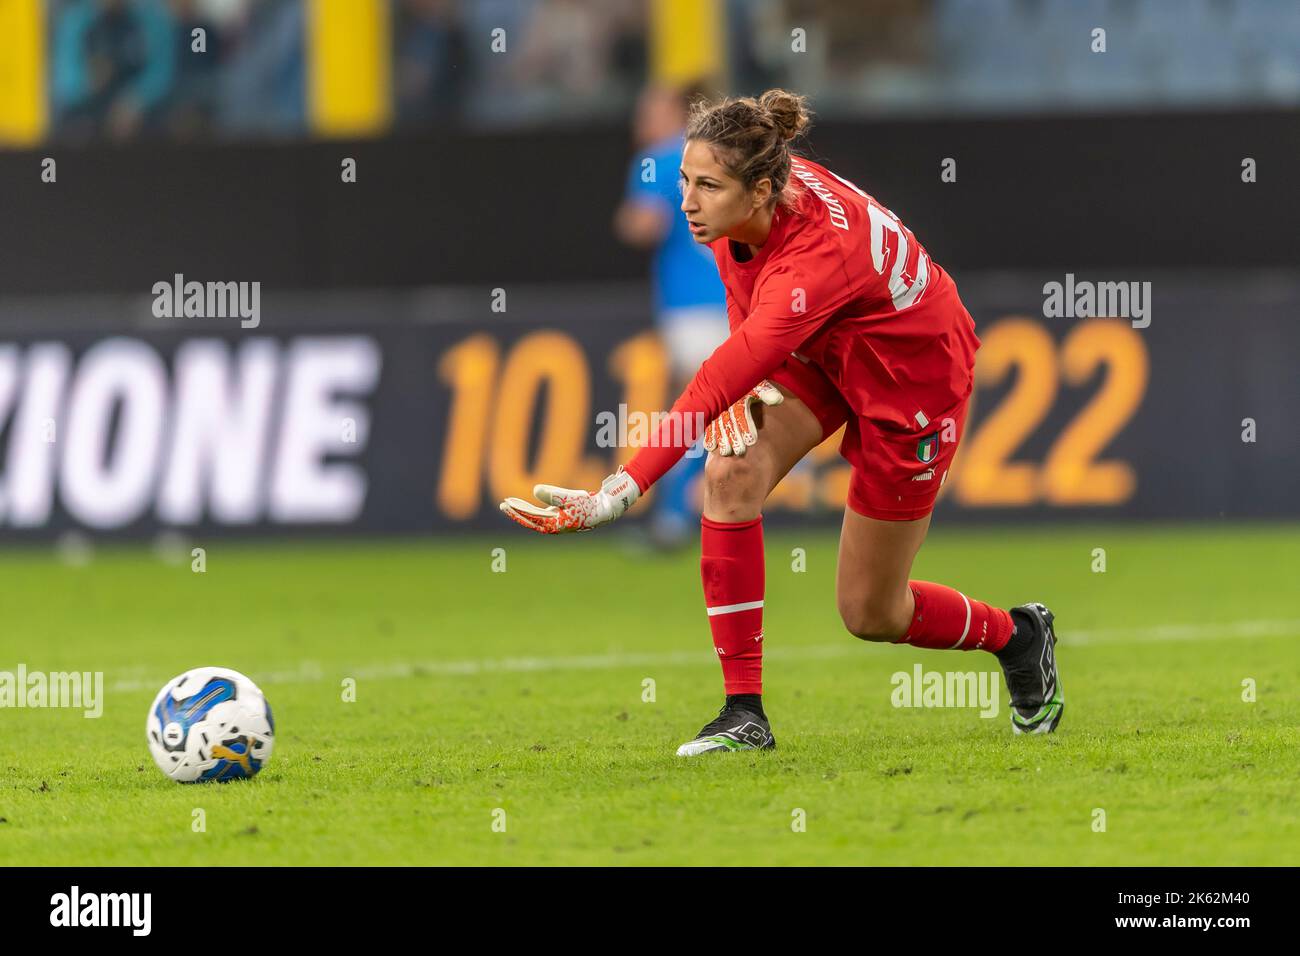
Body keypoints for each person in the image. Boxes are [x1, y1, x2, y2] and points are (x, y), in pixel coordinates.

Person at [501, 89, 1063, 754]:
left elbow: (719, 375)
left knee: (871, 612)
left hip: (911, 378)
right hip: (826, 348)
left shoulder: (816, 257)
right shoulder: (739, 214)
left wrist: (620, 489)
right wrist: (744, 391)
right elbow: (746, 323)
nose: (687, 200)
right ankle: (744, 714)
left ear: (762, 190)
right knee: (731, 472)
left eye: (707, 185)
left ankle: (1019, 637)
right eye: (685, 180)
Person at [614, 82, 730, 549]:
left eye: (649, 110)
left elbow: (644, 223)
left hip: (692, 307)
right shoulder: (719, 156)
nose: (640, 121)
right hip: (734, 302)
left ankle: (674, 520)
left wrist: (625, 220)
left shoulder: (660, 159)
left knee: (690, 415)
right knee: (719, 412)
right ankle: (707, 510)